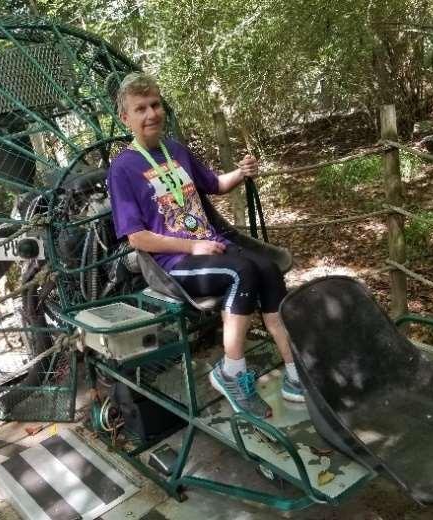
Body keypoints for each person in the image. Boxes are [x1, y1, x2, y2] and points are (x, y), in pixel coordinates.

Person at [107, 72, 303, 419]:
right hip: (173, 264)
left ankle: (294, 373)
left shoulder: (175, 150)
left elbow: (214, 184)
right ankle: (231, 372)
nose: (151, 114)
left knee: (268, 269)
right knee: (242, 273)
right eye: (141, 109)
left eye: (155, 105)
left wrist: (241, 172)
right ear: (126, 118)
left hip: (212, 247)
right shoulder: (122, 168)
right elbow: (137, 238)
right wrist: (192, 247)